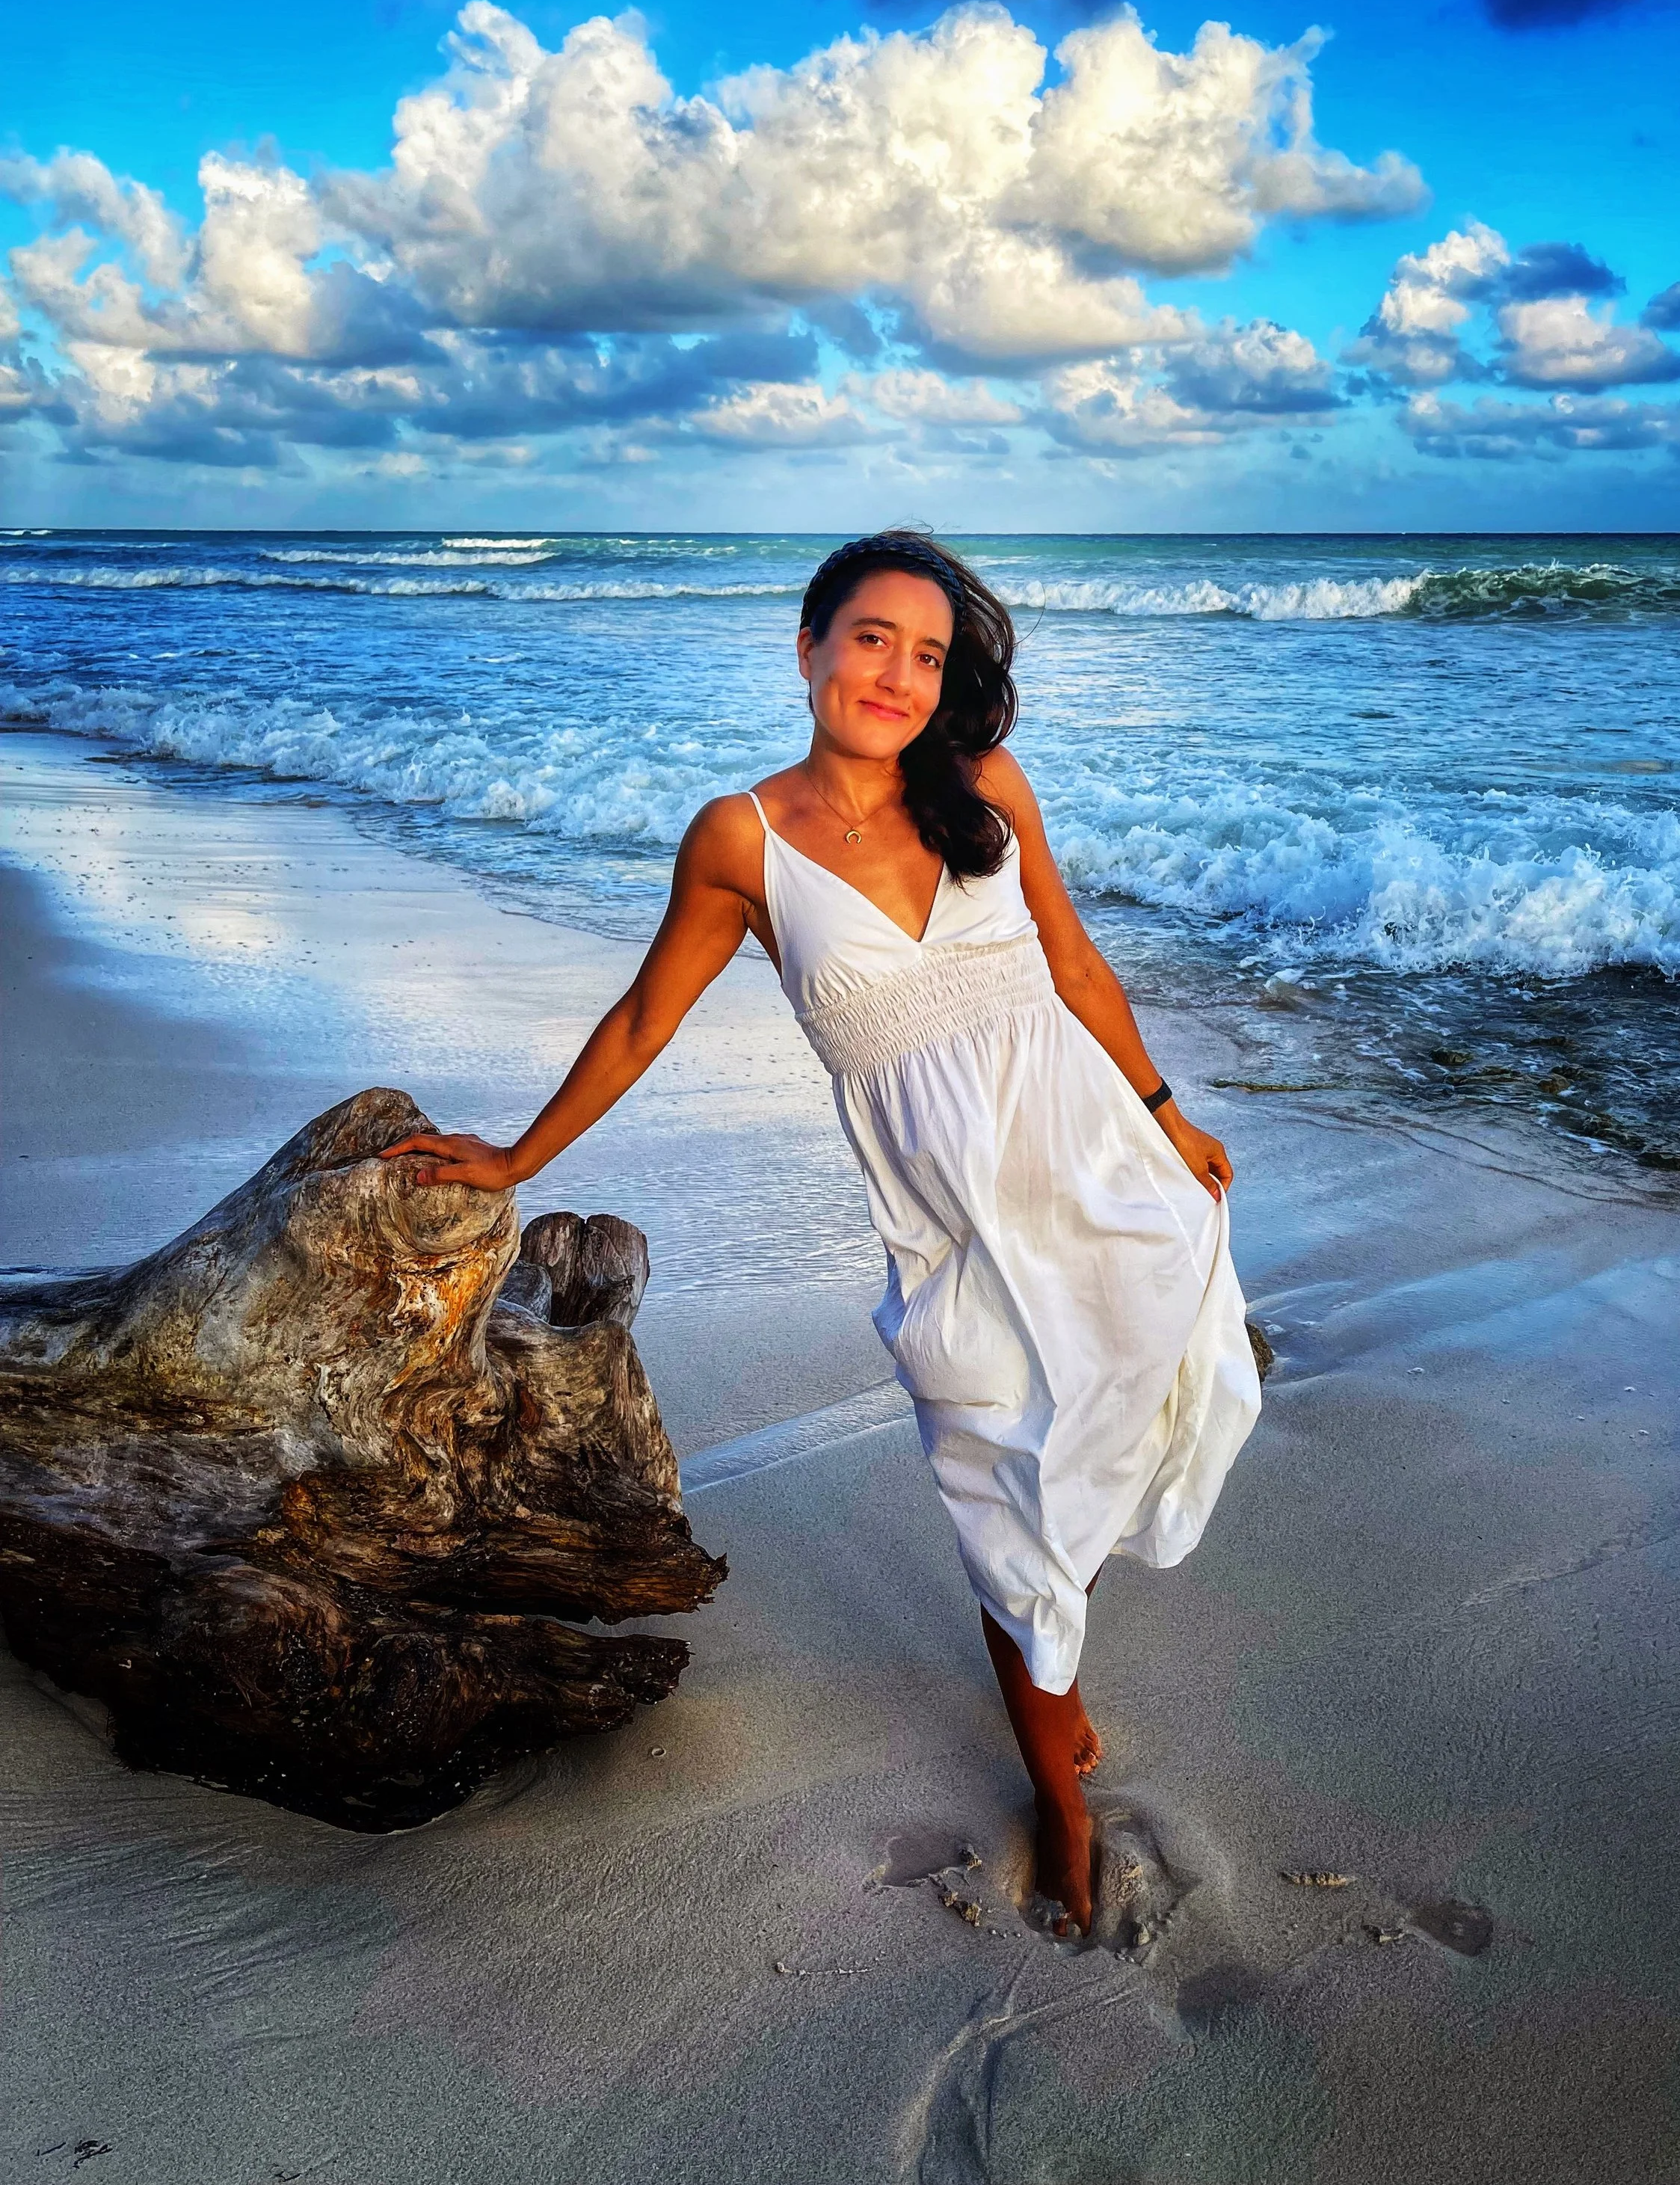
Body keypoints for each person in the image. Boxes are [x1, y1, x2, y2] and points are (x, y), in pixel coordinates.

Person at [387, 530, 1262, 1933]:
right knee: (1002, 1495)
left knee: (1109, 1441)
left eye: (928, 655)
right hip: (948, 1227)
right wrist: (517, 1155)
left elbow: (1077, 962)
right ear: (807, 647)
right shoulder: (741, 839)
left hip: (1095, 1174)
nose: (898, 675)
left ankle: (1054, 1686)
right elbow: (639, 1022)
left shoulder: (983, 788)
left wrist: (1166, 1112)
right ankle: (1061, 1785)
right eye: (871, 638)